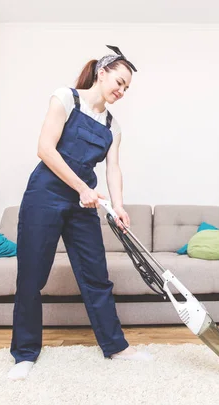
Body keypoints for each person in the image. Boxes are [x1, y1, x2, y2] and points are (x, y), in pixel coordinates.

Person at [8, 45, 151, 381]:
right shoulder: (65, 98)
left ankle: (116, 346)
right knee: (31, 276)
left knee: (95, 276)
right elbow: (45, 149)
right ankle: (25, 354)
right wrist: (81, 188)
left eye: (127, 87)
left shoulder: (113, 127)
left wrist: (118, 206)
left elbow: (113, 169)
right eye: (119, 81)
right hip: (45, 194)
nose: (122, 90)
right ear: (101, 73)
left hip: (83, 202)